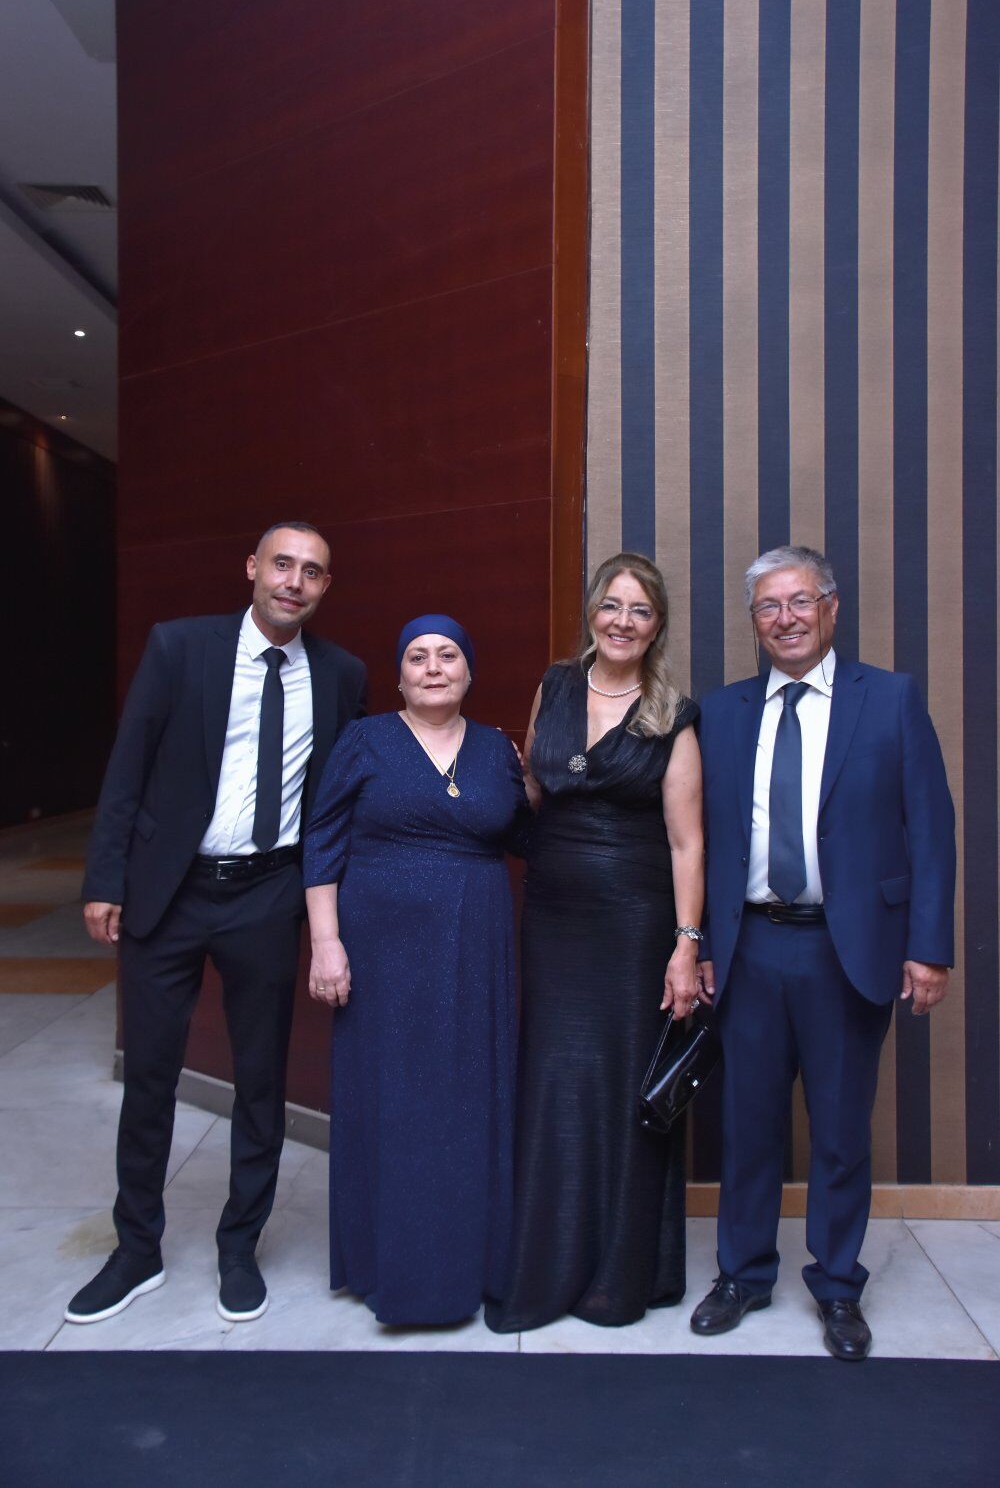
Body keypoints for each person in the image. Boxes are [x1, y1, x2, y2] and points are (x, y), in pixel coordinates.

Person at [66, 522, 366, 1326]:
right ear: (252, 568)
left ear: (325, 587)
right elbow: (128, 764)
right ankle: (136, 1249)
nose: (293, 581)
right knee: (150, 1077)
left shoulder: (341, 676)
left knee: (261, 1080)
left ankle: (240, 1246)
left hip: (266, 895)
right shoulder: (180, 648)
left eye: (311, 571)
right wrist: (106, 877)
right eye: (282, 564)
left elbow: (342, 798)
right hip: (169, 892)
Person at [691, 545, 955, 1361]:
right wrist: (700, 942)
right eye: (769, 607)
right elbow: (699, 842)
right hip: (750, 947)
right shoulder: (721, 713)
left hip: (849, 950)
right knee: (748, 1126)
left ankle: (838, 1284)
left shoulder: (891, 699)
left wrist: (929, 948)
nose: (787, 619)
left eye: (800, 601)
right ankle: (742, 1274)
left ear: (831, 607)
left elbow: (931, 830)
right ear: (754, 621)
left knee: (840, 1131)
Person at [485, 552, 704, 1333]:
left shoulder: (673, 713)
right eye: (612, 605)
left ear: (657, 625)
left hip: (634, 922)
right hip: (552, 916)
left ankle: (618, 1274)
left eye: (640, 610)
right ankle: (547, 1262)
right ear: (591, 611)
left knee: (619, 1085)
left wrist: (686, 944)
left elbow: (687, 842)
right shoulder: (554, 686)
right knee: (554, 1079)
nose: (622, 621)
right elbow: (534, 793)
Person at [303, 615, 530, 1326]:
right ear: (399, 678)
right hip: (382, 952)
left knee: (468, 1101)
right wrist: (326, 942)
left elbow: (530, 837)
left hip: (478, 950)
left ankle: (473, 1265)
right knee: (394, 1100)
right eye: (417, 657)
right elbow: (322, 842)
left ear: (469, 672)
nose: (433, 667)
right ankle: (390, 1270)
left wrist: (548, 783)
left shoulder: (496, 750)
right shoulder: (364, 740)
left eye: (448, 655)